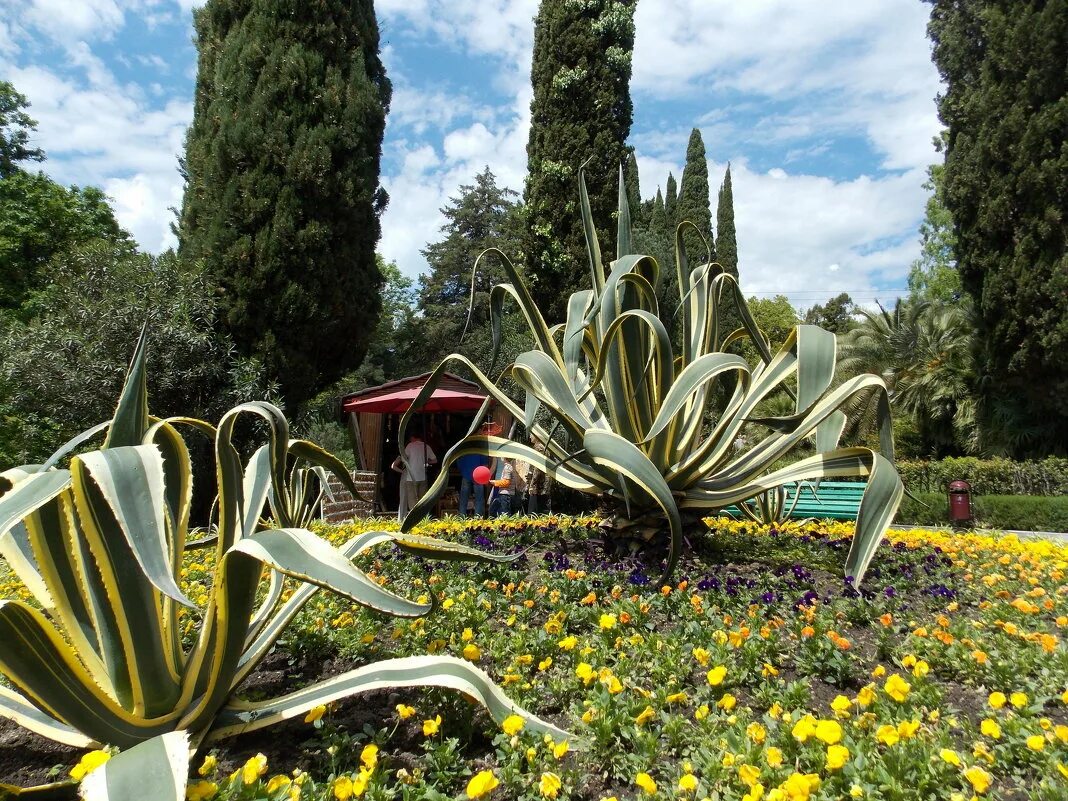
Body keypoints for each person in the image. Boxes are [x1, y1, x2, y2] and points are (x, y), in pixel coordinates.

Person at [393, 432, 437, 521]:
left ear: (413, 437)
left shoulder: (410, 446)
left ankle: (413, 521)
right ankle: (423, 520)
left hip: (411, 478)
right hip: (422, 477)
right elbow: (435, 460)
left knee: (412, 502)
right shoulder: (426, 447)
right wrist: (426, 462)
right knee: (422, 500)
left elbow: (403, 458)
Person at [456, 451, 489, 518]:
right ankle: (478, 518)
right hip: (478, 475)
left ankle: (461, 517)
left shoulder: (465, 449)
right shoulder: (480, 449)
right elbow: (485, 464)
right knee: (479, 498)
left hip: (466, 474)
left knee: (463, 498)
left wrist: (462, 471)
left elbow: (458, 462)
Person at [524, 436, 552, 514]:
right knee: (543, 512)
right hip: (542, 485)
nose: (529, 436)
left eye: (531, 435)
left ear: (537, 436)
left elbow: (537, 468)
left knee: (534, 513)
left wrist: (532, 485)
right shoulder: (543, 447)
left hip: (539, 486)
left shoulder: (539, 448)